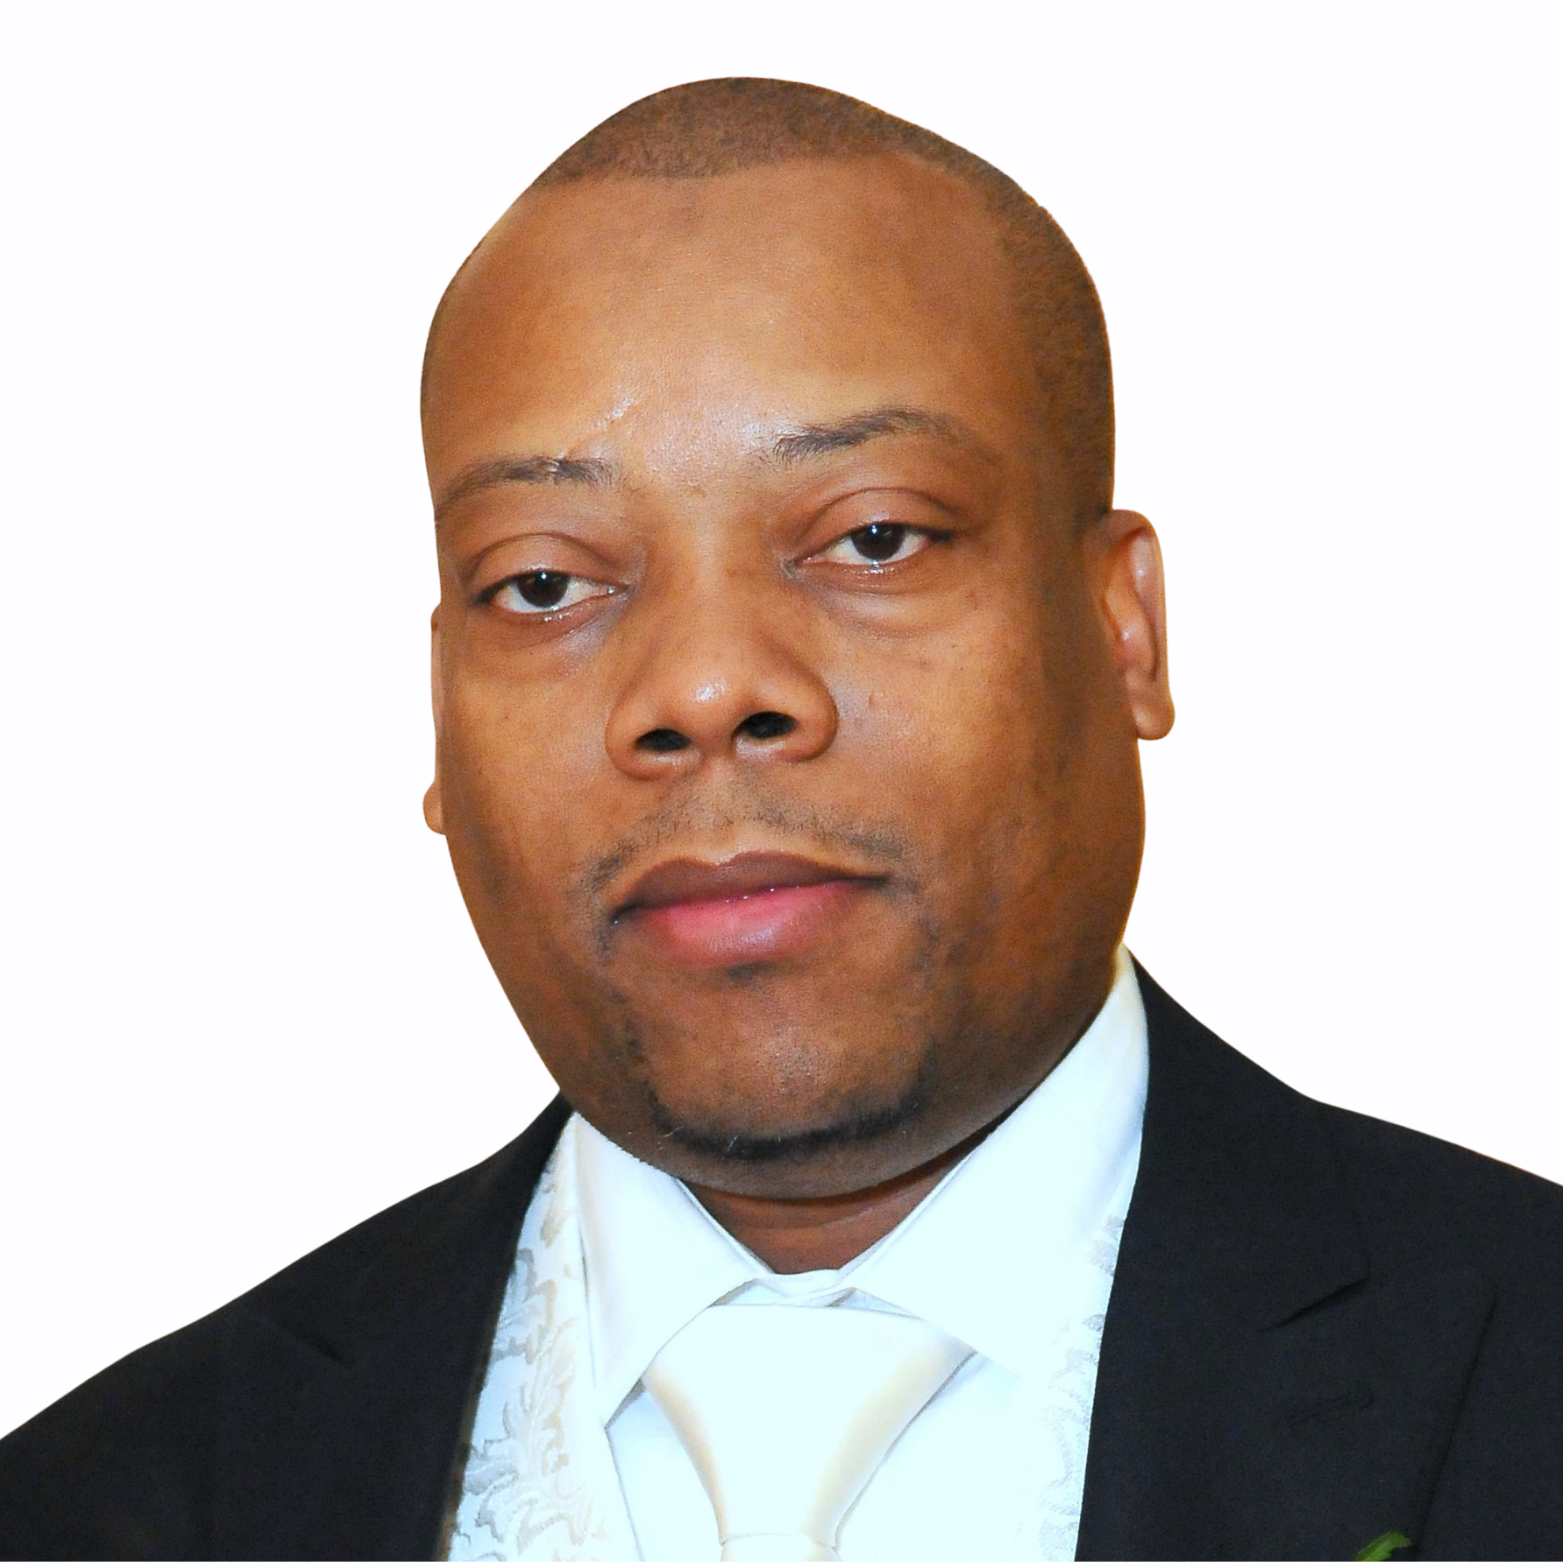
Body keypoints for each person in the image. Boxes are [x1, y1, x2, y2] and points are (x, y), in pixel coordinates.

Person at [1, 76, 1559, 1563]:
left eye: (872, 537)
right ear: (436, 705)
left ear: (1123, 627)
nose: (702, 685)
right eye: (540, 581)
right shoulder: (96, 1502)